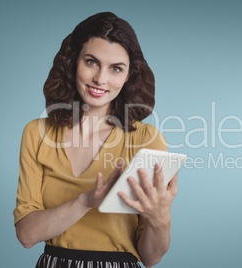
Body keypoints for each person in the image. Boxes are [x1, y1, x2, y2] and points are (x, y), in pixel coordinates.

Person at [13, 11, 178, 268]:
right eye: (91, 62)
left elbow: (151, 257)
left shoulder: (147, 140)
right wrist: (85, 201)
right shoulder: (36, 133)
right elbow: (26, 235)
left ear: (128, 76)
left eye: (116, 68)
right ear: (72, 62)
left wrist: (159, 219)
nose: (101, 79)